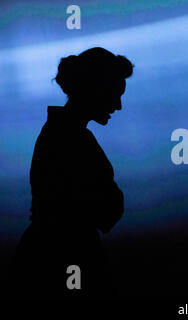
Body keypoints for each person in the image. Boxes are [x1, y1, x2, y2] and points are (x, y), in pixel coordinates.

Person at [11, 47, 133, 298]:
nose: (118, 106)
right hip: (65, 254)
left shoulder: (61, 134)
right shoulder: (73, 139)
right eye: (114, 94)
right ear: (96, 89)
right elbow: (108, 211)